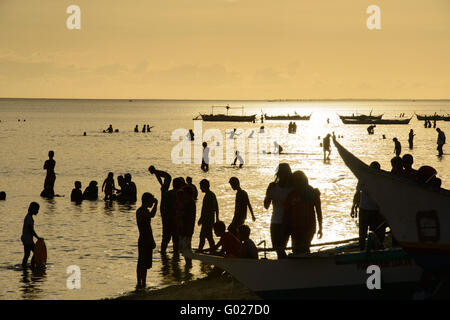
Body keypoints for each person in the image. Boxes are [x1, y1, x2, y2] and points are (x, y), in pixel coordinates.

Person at [284, 171, 323, 254]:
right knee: (296, 250)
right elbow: (287, 213)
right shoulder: (291, 194)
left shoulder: (313, 193)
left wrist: (320, 227)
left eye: (298, 180)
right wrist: (286, 227)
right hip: (295, 228)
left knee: (305, 248)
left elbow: (318, 211)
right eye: (294, 181)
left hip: (309, 227)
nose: (296, 183)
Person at [353, 161, 385, 250]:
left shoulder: (380, 180)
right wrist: (354, 206)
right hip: (364, 209)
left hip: (374, 210)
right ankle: (362, 249)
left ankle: (370, 249)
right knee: (363, 232)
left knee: (372, 232)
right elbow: (358, 193)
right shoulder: (363, 178)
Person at [264, 163, 292, 259]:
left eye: (285, 173)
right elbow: (266, 205)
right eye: (281, 173)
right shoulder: (273, 187)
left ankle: (285, 264)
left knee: (280, 247)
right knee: (276, 247)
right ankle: (284, 264)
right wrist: (268, 194)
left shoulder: (291, 189)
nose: (283, 175)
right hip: (275, 221)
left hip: (286, 222)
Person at [148, 166, 179, 255]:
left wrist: (162, 186)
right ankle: (174, 254)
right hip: (168, 178)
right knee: (174, 238)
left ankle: (164, 253)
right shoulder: (174, 195)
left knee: (167, 237)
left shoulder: (156, 172)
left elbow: (159, 180)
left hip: (168, 178)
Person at [136, 192, 158, 289]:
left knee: (143, 263)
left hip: (145, 238)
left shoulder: (142, 210)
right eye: (151, 201)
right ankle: (140, 282)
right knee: (142, 263)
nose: (152, 203)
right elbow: (151, 216)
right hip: (145, 239)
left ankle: (142, 282)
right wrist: (156, 205)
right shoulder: (142, 211)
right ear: (147, 201)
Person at [197, 179, 219, 252]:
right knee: (208, 236)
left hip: (207, 220)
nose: (200, 188)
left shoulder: (208, 196)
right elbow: (216, 207)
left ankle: (200, 250)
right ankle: (212, 249)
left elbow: (206, 210)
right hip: (210, 220)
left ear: (204, 186)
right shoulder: (212, 194)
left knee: (203, 236)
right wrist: (217, 218)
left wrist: (201, 219)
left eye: (201, 186)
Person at [177, 186, 196, 265]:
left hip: (187, 230)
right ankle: (188, 266)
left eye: (184, 193)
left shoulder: (190, 203)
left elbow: (186, 216)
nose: (183, 195)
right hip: (184, 229)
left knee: (186, 249)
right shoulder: (188, 202)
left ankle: (188, 265)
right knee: (184, 249)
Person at [21, 202, 43, 268]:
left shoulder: (29, 217)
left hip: (26, 239)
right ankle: (32, 265)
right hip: (28, 240)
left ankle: (25, 266)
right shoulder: (29, 218)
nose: (37, 211)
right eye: (37, 210)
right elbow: (31, 230)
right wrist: (38, 238)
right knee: (36, 253)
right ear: (33, 209)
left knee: (27, 254)